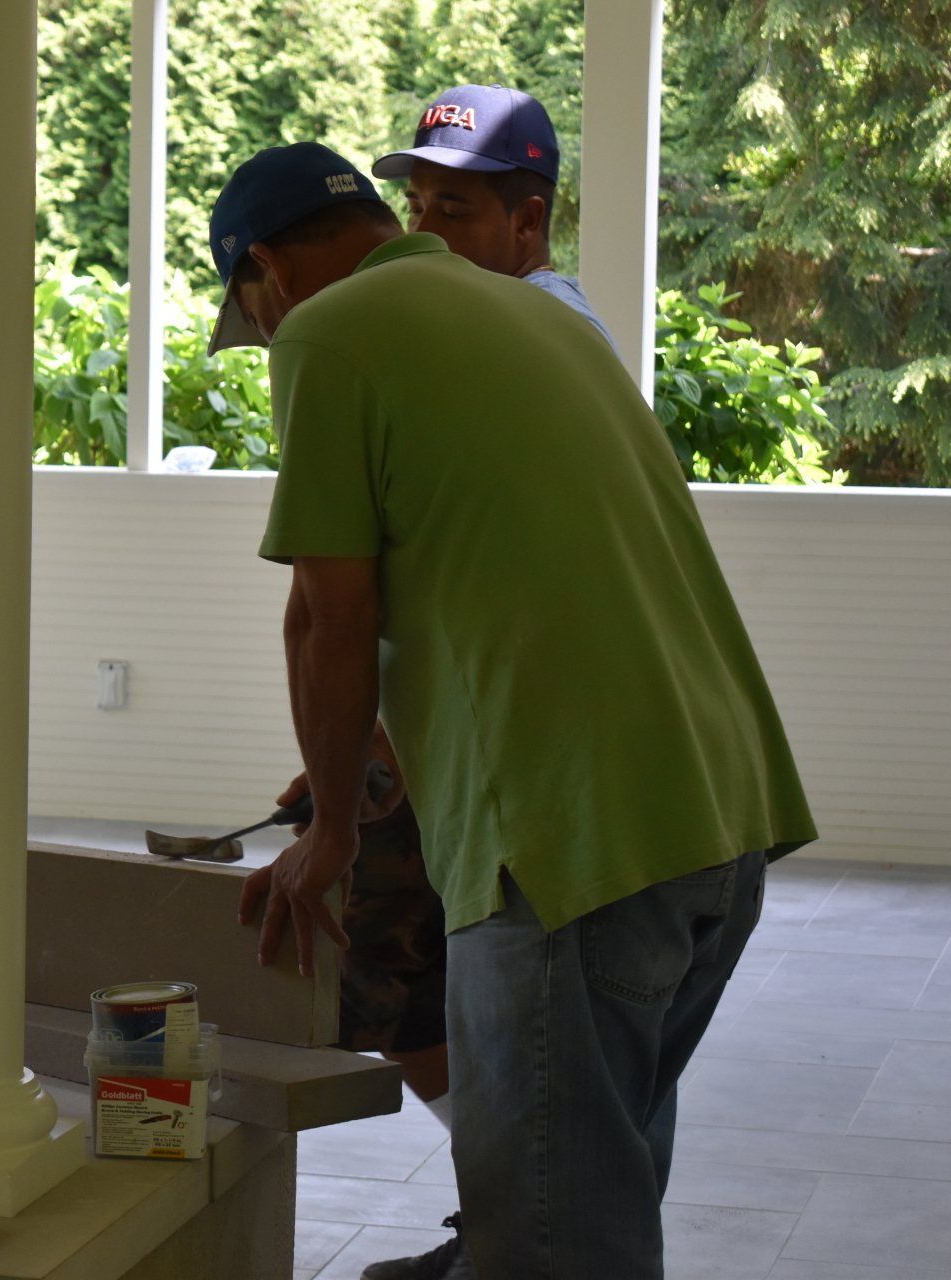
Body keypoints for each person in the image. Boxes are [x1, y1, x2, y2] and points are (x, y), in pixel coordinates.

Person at [209, 141, 816, 1278]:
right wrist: (380, 749)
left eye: (249, 311)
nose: (264, 333)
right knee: (594, 1184)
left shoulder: (325, 334)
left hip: (569, 845)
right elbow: (513, 566)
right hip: (714, 821)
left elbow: (328, 613)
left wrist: (335, 832)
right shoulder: (536, 317)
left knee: (551, 1241)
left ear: (269, 273)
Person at [375, 83, 617, 354]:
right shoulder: (489, 314)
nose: (423, 233)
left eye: (452, 214)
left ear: (527, 220)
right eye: (415, 209)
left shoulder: (545, 325)